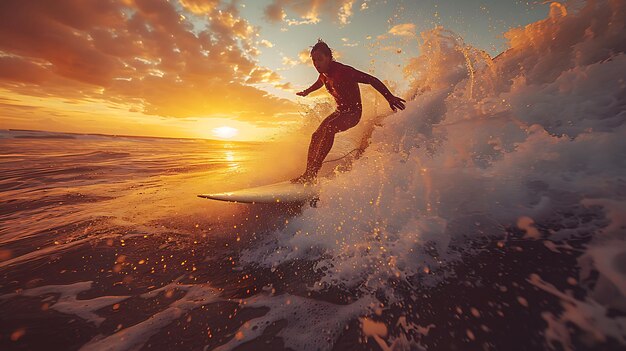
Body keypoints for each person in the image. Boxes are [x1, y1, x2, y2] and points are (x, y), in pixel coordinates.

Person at [292, 39, 406, 183]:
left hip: (353, 113)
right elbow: (320, 82)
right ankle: (308, 173)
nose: (316, 64)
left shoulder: (344, 71)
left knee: (329, 128)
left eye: (320, 59)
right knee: (315, 135)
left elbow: (372, 79)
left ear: (329, 58)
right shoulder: (324, 74)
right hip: (340, 112)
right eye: (314, 60)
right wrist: (307, 91)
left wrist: (389, 97)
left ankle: (312, 174)